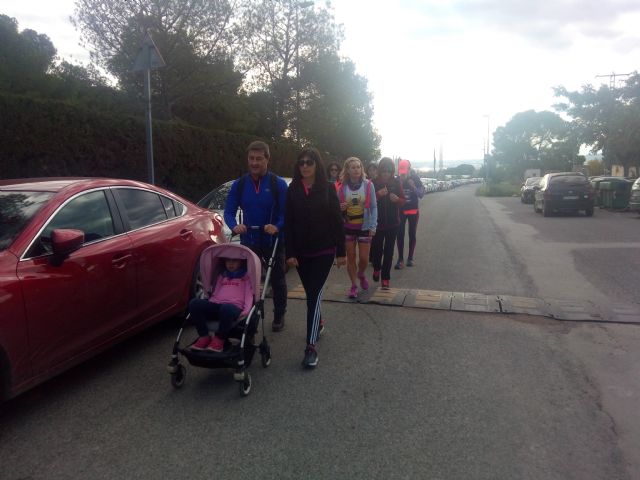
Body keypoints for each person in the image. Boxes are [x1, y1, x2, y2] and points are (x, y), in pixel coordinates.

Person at [284, 147, 346, 369]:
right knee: (312, 293)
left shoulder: (328, 189)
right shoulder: (292, 190)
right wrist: (289, 252)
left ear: (317, 165)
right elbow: (288, 223)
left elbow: (337, 222)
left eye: (309, 162)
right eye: (301, 162)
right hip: (301, 252)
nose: (305, 166)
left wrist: (341, 253)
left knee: (313, 294)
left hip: (324, 250)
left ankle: (310, 347)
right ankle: (318, 321)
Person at [224, 140, 289, 332]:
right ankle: (248, 315)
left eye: (259, 159)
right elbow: (228, 212)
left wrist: (277, 226)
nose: (254, 163)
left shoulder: (278, 184)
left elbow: (286, 214)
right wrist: (235, 226)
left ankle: (279, 315)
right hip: (249, 241)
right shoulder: (240, 184)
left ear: (267, 160)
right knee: (249, 281)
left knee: (277, 280)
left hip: (273, 241)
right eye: (251, 158)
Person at [189, 258, 253, 352]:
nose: (230, 263)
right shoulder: (222, 275)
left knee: (226, 308)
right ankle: (204, 336)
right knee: (194, 303)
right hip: (218, 305)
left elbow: (249, 294)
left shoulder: (246, 277)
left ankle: (219, 339)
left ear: (241, 262)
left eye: (234, 261)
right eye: (228, 261)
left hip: (234, 308)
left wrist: (247, 310)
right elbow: (216, 292)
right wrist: (209, 304)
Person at [337, 156, 377, 298]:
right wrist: (340, 208)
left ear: (362, 169)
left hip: (364, 226)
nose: (356, 170)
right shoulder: (342, 188)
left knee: (364, 259)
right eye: (353, 167)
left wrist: (373, 226)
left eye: (358, 167)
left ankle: (361, 274)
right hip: (348, 227)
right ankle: (353, 285)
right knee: (351, 257)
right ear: (347, 170)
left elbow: (373, 207)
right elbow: (335, 211)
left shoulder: (368, 185)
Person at [370, 157, 406, 289]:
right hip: (377, 224)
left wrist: (397, 199)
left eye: (389, 171)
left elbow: (403, 201)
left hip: (393, 224)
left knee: (389, 252)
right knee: (377, 250)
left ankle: (385, 278)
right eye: (384, 170)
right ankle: (377, 269)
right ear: (380, 171)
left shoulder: (396, 183)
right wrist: (378, 195)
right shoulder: (373, 183)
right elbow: (367, 203)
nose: (386, 173)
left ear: (392, 172)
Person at [395, 159, 425, 269]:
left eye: (404, 172)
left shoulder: (415, 179)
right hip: (401, 211)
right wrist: (400, 184)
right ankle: (400, 259)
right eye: (401, 172)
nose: (402, 174)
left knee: (412, 234)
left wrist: (413, 187)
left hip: (413, 211)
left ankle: (410, 258)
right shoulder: (397, 180)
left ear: (409, 169)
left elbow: (421, 194)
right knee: (400, 234)